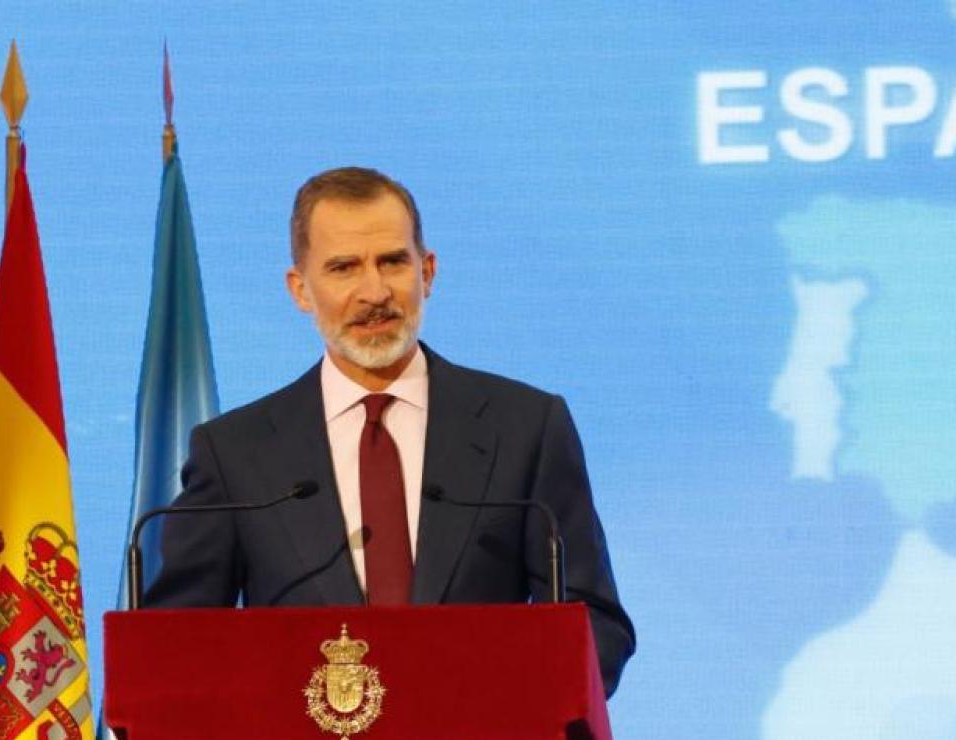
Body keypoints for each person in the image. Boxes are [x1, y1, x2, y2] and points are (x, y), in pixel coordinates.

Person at [144, 167, 634, 695]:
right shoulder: (235, 454)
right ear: (300, 289)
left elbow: (595, 625)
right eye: (343, 268)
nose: (374, 292)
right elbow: (176, 645)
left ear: (428, 272)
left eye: (393, 262)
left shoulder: (526, 427)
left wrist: (501, 705)